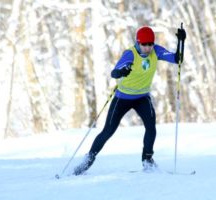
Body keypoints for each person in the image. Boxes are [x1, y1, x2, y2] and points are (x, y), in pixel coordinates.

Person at [74, 26, 186, 175]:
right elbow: (114, 72)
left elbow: (177, 59)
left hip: (142, 97)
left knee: (151, 128)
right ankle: (88, 160)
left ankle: (147, 161)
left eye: (150, 44)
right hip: (123, 98)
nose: (148, 48)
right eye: (144, 44)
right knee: (108, 131)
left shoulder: (156, 51)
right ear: (138, 42)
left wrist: (181, 42)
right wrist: (122, 71)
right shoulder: (130, 54)